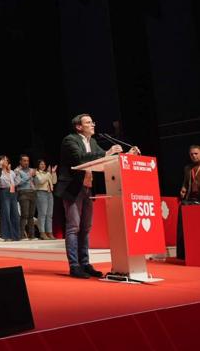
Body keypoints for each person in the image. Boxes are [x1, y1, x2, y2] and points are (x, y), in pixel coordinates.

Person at [55, 113, 138, 279]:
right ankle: (74, 266)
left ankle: (85, 264)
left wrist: (127, 155)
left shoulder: (92, 142)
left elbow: (105, 157)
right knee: (74, 227)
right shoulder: (70, 140)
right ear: (79, 127)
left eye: (92, 121)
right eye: (88, 122)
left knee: (86, 228)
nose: (93, 124)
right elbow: (79, 158)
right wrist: (107, 153)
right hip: (72, 189)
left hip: (87, 188)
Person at [177, 145, 200, 260]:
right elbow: (185, 183)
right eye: (191, 154)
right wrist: (183, 189)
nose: (193, 156)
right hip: (191, 199)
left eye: (196, 154)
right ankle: (184, 253)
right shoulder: (188, 168)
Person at [34, 160, 58, 240]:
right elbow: (40, 181)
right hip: (41, 193)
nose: (43, 165)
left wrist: (53, 173)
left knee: (49, 215)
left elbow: (54, 181)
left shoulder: (46, 174)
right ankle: (42, 232)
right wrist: (48, 174)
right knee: (42, 214)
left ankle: (49, 232)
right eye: (41, 164)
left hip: (49, 193)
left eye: (44, 164)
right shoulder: (36, 173)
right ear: (38, 165)